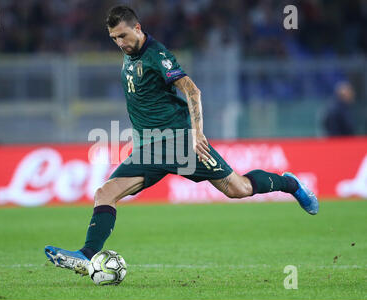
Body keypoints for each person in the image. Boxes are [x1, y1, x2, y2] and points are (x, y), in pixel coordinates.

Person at [44, 6, 319, 275]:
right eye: (114, 38)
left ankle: (290, 183)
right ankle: (87, 255)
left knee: (238, 189)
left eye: (124, 36)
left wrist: (197, 133)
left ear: (137, 28)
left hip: (180, 144)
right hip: (148, 148)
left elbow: (192, 90)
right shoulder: (130, 54)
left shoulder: (157, 55)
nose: (120, 43)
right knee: (105, 193)